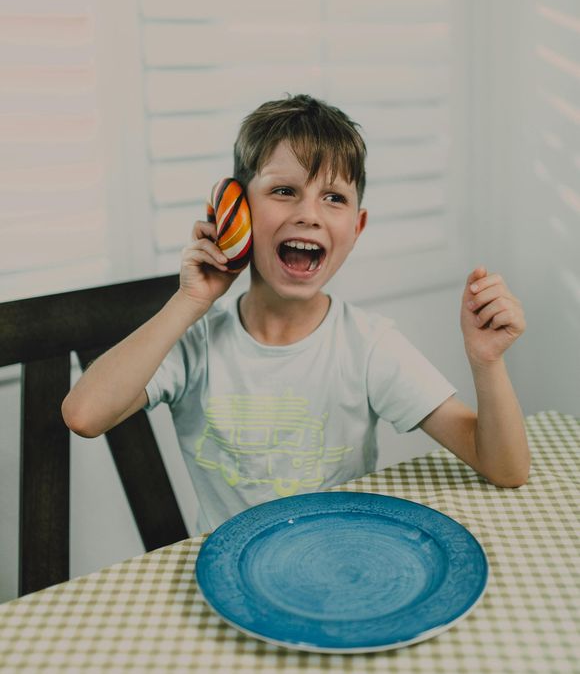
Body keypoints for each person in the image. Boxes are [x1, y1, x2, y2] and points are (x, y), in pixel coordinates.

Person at [62, 94, 530, 534]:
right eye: (284, 190)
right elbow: (84, 414)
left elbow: (504, 467)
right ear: (235, 211)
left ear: (357, 226)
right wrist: (190, 302)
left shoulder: (367, 346)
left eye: (334, 198)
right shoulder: (197, 342)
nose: (310, 214)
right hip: (232, 576)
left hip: (335, 561)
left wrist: (486, 362)